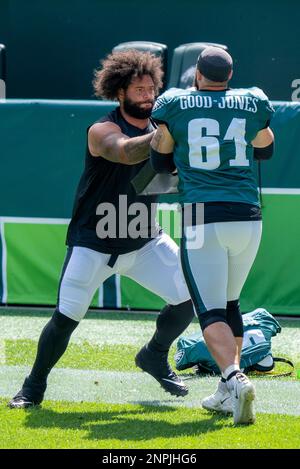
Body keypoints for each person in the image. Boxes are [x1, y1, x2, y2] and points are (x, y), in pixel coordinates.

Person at [8, 50, 195, 409]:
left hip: (143, 240)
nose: (147, 95)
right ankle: (34, 385)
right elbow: (124, 152)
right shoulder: (102, 129)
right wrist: (166, 136)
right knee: (65, 319)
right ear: (119, 92)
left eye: (150, 88)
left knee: (190, 295)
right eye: (138, 89)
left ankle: (154, 355)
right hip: (94, 242)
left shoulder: (161, 128)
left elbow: (164, 179)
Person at [150, 46, 275, 425]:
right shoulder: (251, 101)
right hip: (248, 217)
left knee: (211, 311)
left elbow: (161, 158)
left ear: (197, 75)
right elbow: (265, 149)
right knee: (232, 304)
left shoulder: (175, 102)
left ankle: (234, 379)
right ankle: (226, 390)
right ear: (230, 76)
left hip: (204, 215)